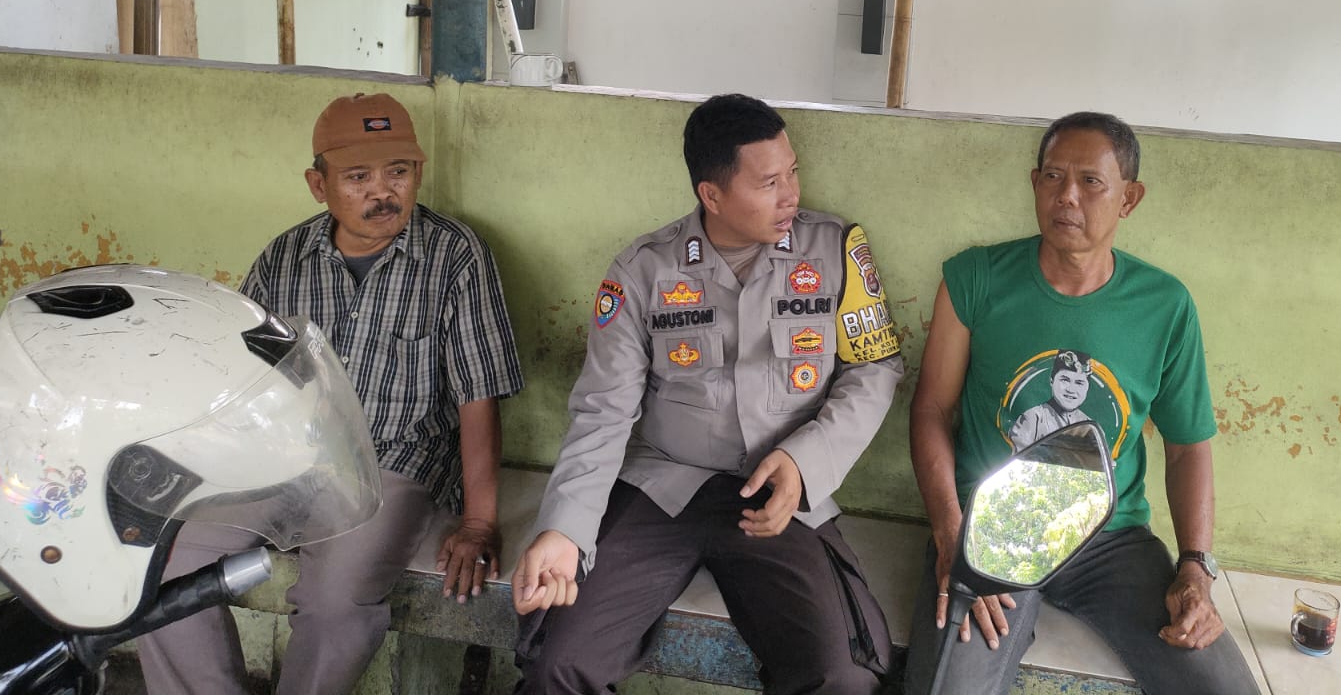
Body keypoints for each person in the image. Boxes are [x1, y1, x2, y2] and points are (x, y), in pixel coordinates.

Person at [511, 93, 903, 695]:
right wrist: (564, 528)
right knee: (558, 661)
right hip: (663, 488)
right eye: (769, 183)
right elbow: (602, 410)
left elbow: (874, 368)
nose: (791, 195)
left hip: (779, 494)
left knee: (843, 675)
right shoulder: (644, 270)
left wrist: (806, 461)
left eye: (793, 172)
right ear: (711, 195)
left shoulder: (836, 251)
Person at [139, 92, 524, 695]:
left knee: (335, 600)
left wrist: (478, 522)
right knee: (159, 565)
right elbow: (245, 378)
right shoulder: (284, 258)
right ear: (318, 185)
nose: (383, 192)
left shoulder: (455, 256)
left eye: (399, 171)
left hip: (391, 464)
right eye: (358, 177)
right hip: (285, 457)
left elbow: (480, 395)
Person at [904, 111, 1258, 695]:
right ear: (1035, 183)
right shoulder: (976, 279)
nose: (1067, 195)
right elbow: (931, 411)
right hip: (998, 526)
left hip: (1111, 539)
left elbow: (1187, 446)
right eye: (1052, 177)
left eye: (1091, 181)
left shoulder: (1164, 305)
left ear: (1129, 199)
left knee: (1223, 688)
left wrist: (1195, 567)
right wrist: (951, 534)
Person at [1008, 348, 1093, 447]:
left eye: (1079, 383)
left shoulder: (1091, 427)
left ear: (1088, 387)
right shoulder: (1032, 419)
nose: (1071, 389)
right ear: (1052, 381)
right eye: (1065, 380)